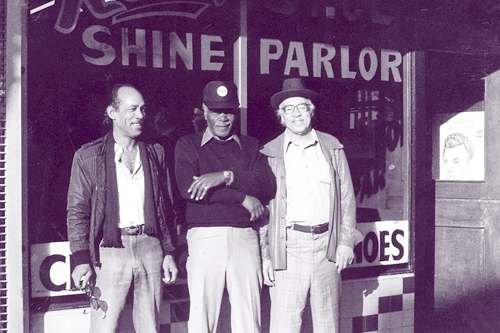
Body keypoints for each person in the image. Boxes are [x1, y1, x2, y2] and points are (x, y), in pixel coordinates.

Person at [67, 84, 178, 333]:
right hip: (110, 250)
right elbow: (77, 211)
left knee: (150, 326)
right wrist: (81, 258)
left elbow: (166, 207)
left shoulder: (154, 153)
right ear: (112, 112)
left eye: (142, 109)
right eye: (132, 109)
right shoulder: (88, 156)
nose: (140, 115)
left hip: (150, 247)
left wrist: (169, 251)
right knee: (105, 327)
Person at [260, 78, 363, 333]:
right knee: (285, 325)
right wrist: (264, 255)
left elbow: (347, 197)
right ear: (280, 116)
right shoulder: (270, 153)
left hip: (327, 246)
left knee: (328, 325)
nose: (296, 114)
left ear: (311, 111)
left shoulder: (332, 147)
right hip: (289, 248)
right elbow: (264, 209)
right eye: (289, 109)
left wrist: (345, 242)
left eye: (302, 107)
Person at [174, 81, 276, 333]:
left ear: (236, 112)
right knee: (202, 319)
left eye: (229, 111)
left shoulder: (251, 146)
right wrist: (242, 198)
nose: (223, 118)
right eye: (216, 111)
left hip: (245, 237)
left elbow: (266, 184)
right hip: (205, 237)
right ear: (204, 111)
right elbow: (190, 189)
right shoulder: (188, 145)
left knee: (248, 319)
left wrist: (225, 176)